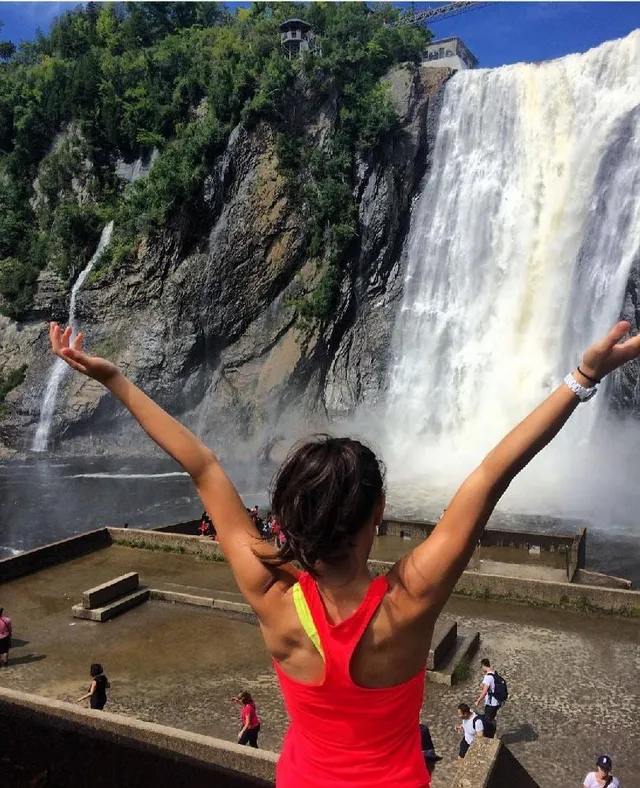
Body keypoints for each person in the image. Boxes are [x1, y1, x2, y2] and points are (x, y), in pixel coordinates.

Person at [48, 320, 640, 788]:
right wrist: (582, 376)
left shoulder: (271, 594)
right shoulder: (409, 602)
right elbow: (492, 474)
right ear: (378, 514)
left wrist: (115, 380)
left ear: (287, 519)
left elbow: (199, 463)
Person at [474, 658, 502, 723]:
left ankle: (490, 731)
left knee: (487, 721)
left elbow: (484, 691)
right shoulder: (494, 673)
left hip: (491, 703)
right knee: (491, 718)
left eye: (481, 667)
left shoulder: (488, 677)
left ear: (484, 666)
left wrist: (478, 700)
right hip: (497, 702)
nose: (481, 669)